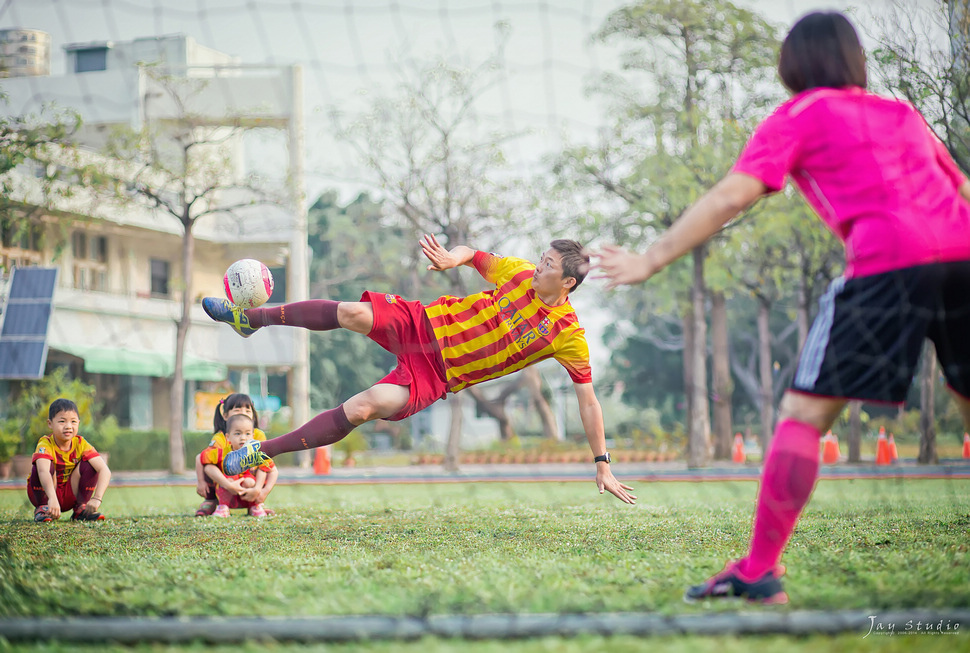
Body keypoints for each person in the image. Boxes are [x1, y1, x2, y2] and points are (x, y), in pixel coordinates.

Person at [595, 11, 970, 604]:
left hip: (888, 261)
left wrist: (649, 260)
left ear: (791, 64)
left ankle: (758, 570)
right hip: (966, 252)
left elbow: (729, 198)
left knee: (801, 414)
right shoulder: (902, 114)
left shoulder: (800, 115)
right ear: (856, 61)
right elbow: (962, 192)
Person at [203, 235, 636, 504]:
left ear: (567, 284)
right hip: (424, 323)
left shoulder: (569, 335)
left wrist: (602, 462)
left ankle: (263, 452)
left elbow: (589, 401)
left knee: (364, 406)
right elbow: (475, 254)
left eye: (548, 266)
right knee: (353, 312)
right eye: (541, 258)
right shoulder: (519, 272)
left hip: (437, 376)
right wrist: (453, 258)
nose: (538, 266)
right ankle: (249, 320)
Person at [27, 398, 112, 522]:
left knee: (90, 464)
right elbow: (43, 472)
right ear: (50, 424)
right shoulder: (45, 444)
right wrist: (52, 498)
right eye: (62, 421)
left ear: (78, 423)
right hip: (46, 495)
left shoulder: (81, 444)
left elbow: (105, 470)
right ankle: (42, 508)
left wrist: (97, 498)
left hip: (70, 494)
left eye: (73, 422)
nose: (68, 426)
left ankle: (80, 509)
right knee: (40, 465)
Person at [194, 393, 269, 516]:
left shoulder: (258, 435)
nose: (243, 413)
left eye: (247, 410)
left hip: (250, 480)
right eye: (237, 410)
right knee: (209, 465)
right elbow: (202, 458)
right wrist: (202, 482)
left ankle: (256, 504)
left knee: (269, 466)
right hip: (225, 480)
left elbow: (266, 465)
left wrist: (262, 491)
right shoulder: (221, 438)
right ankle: (213, 500)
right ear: (225, 416)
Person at [200, 413, 277, 518]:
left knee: (250, 481)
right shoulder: (221, 453)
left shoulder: (256, 454)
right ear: (228, 437)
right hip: (227, 491)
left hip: (249, 493)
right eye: (237, 434)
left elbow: (266, 469)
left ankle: (254, 507)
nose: (243, 438)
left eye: (247, 434)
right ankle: (223, 508)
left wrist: (259, 489)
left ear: (253, 436)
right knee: (229, 479)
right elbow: (204, 461)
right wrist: (227, 484)